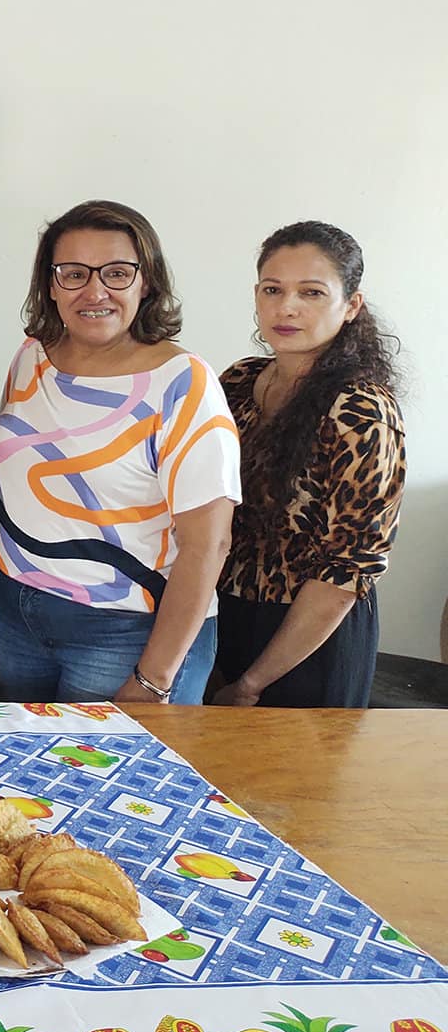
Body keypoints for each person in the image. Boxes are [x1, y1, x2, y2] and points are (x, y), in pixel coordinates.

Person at [0, 200, 238, 706]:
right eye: (74, 273)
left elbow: (208, 546)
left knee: (105, 783)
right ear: (51, 285)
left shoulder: (183, 384)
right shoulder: (33, 356)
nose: (94, 291)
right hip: (15, 615)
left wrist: (154, 678)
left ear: (146, 282)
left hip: (126, 634)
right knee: (20, 777)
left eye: (117, 273)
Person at [211, 222, 404, 708]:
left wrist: (253, 682)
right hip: (223, 616)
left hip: (307, 640)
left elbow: (347, 572)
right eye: (273, 290)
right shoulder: (237, 381)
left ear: (351, 305)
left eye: (312, 292)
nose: (287, 306)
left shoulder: (361, 411)